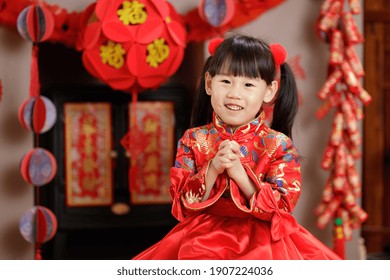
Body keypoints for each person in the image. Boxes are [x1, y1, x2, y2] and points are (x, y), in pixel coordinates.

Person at [133, 33, 341, 260]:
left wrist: (240, 176)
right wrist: (212, 169)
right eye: (226, 81)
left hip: (265, 244)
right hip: (200, 240)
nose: (234, 94)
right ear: (209, 83)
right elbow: (183, 205)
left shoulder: (278, 145)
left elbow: (282, 207)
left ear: (269, 91)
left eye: (248, 84)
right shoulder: (193, 139)